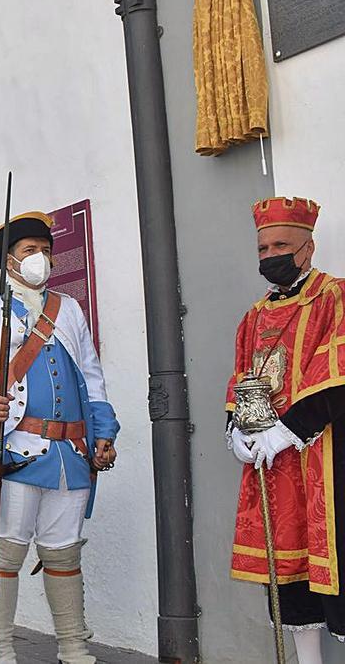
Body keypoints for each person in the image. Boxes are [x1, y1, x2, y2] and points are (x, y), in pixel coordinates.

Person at [0, 211, 119, 664]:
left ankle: (73, 648)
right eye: (30, 252)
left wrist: (103, 431)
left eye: (45, 252)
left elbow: (91, 376)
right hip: (16, 451)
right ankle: (2, 650)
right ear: (9, 262)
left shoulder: (70, 310)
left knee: (64, 552)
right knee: (4, 552)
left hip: (69, 452)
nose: (40, 259)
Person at [224, 197, 345, 663]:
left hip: (324, 455)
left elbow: (335, 374)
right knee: (289, 572)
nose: (270, 254)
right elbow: (241, 378)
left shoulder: (334, 296)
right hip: (273, 466)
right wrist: (238, 429)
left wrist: (288, 430)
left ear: (307, 248)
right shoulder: (254, 316)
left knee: (333, 562)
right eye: (262, 247)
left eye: (281, 244)